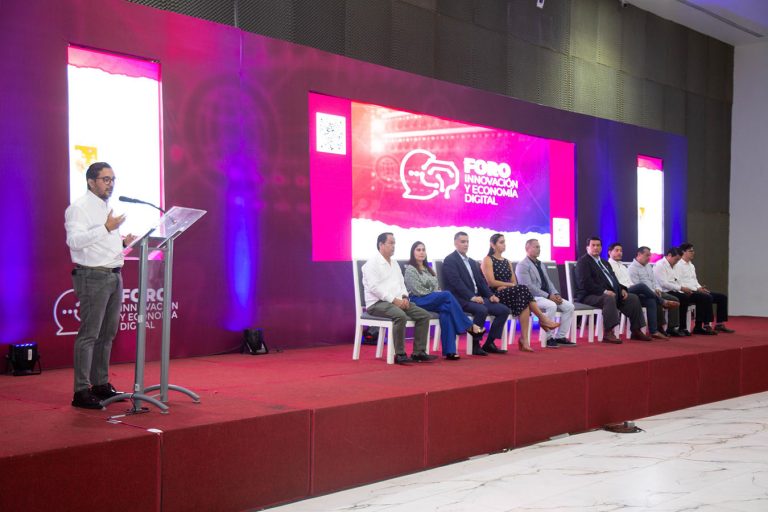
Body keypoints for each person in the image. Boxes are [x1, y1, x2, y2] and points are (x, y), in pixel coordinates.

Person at [65, 162, 135, 409]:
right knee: (90, 335)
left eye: (113, 179)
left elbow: (101, 243)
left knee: (107, 335)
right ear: (91, 182)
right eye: (106, 179)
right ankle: (81, 391)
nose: (111, 184)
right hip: (93, 276)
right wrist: (107, 228)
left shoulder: (105, 207)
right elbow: (74, 241)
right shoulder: (79, 208)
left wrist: (122, 242)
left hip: (113, 274)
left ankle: (101, 385)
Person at [362, 233, 437, 364]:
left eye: (394, 243)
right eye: (391, 243)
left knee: (424, 315)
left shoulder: (394, 263)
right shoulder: (371, 264)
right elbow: (375, 288)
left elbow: (402, 284)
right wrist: (394, 300)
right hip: (377, 303)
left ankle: (419, 352)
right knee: (400, 316)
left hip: (397, 301)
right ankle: (400, 354)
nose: (393, 246)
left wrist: (404, 297)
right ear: (381, 245)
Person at [404, 242, 485, 360]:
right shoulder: (410, 269)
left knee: (446, 310)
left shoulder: (428, 269)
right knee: (447, 294)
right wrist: (435, 294)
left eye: (423, 250)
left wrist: (436, 293)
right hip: (418, 300)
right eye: (418, 250)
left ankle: (450, 351)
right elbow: (417, 290)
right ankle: (469, 326)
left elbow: (436, 287)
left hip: (431, 299)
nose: (421, 252)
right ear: (413, 252)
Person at [481, 234, 562, 351]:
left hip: (509, 293)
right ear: (492, 245)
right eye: (501, 242)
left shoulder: (507, 262)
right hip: (494, 295)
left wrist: (507, 286)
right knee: (523, 290)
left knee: (524, 300)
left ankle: (525, 340)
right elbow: (491, 282)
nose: (504, 245)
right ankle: (541, 319)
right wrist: (508, 285)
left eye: (504, 242)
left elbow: (514, 282)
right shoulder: (487, 260)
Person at [442, 232, 511, 356]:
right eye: (463, 242)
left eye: (467, 241)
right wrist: (472, 297)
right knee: (481, 310)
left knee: (503, 310)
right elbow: (456, 283)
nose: (466, 244)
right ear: (455, 243)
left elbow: (481, 282)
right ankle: (475, 345)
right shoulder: (450, 260)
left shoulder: (472, 262)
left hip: (477, 298)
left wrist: (490, 295)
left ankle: (489, 343)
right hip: (460, 299)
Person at [574, 237, 650, 344]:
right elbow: (585, 284)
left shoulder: (604, 263)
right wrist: (604, 291)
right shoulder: (583, 262)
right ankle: (608, 332)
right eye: (593, 245)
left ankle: (635, 330)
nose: (596, 247)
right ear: (587, 248)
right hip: (589, 295)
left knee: (633, 298)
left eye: (598, 245)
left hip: (608, 294)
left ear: (601, 248)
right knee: (609, 298)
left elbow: (613, 280)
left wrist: (622, 289)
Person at [515, 238, 576, 348]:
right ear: (527, 248)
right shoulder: (522, 265)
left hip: (547, 296)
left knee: (569, 307)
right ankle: (549, 338)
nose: (539, 249)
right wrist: (548, 296)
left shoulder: (541, 264)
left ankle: (560, 337)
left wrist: (556, 294)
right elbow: (528, 287)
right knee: (551, 305)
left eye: (539, 247)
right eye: (536, 247)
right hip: (532, 298)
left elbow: (548, 282)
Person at [607, 243, 673, 339]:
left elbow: (630, 282)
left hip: (630, 289)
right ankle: (662, 301)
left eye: (621, 251)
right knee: (642, 286)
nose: (619, 253)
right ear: (609, 252)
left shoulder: (623, 266)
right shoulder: (608, 266)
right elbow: (612, 282)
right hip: (621, 291)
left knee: (651, 300)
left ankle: (654, 331)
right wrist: (624, 289)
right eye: (616, 250)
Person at [676, 242, 734, 334]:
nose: (693, 253)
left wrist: (700, 288)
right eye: (691, 251)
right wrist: (697, 289)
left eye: (693, 251)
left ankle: (719, 324)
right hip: (686, 292)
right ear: (683, 252)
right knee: (706, 297)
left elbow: (695, 281)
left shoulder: (691, 265)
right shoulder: (678, 265)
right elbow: (680, 282)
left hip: (695, 290)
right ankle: (702, 326)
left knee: (722, 297)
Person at [627, 246, 683, 337]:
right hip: (641, 295)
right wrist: (652, 292)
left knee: (674, 299)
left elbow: (654, 281)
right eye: (647, 255)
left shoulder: (648, 266)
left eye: (650, 255)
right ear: (639, 254)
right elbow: (636, 287)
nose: (649, 258)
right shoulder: (632, 268)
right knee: (654, 299)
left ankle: (672, 328)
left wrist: (657, 289)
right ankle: (658, 328)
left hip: (654, 291)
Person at [654, 247, 693, 336]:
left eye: (678, 260)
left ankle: (682, 327)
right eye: (676, 259)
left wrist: (683, 289)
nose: (677, 262)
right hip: (663, 290)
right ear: (669, 255)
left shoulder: (675, 265)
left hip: (673, 289)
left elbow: (677, 280)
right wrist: (680, 288)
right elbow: (663, 283)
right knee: (680, 298)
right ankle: (672, 327)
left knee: (685, 297)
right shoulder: (660, 265)